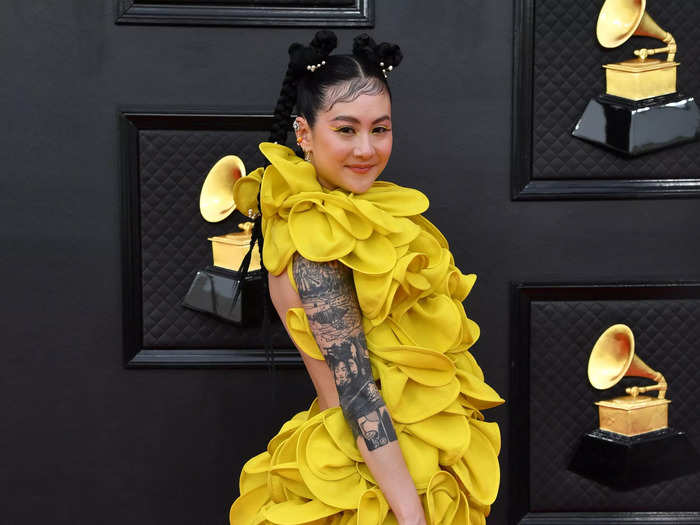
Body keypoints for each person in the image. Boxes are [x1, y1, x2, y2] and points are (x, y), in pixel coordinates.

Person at [228, 31, 504, 525]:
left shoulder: (359, 217)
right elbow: (357, 394)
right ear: (304, 133)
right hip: (370, 481)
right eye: (346, 129)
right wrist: (411, 516)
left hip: (405, 457)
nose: (366, 149)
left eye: (380, 129)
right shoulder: (313, 242)